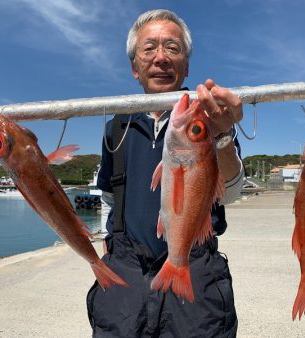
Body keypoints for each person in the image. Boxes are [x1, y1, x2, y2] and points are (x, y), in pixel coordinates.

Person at [87, 9, 245, 338]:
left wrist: (222, 137)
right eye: (149, 49)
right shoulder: (116, 127)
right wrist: (110, 246)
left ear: (186, 66)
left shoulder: (209, 119)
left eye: (172, 48)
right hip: (126, 274)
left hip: (196, 268)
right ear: (134, 67)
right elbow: (107, 196)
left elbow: (230, 192)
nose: (161, 58)